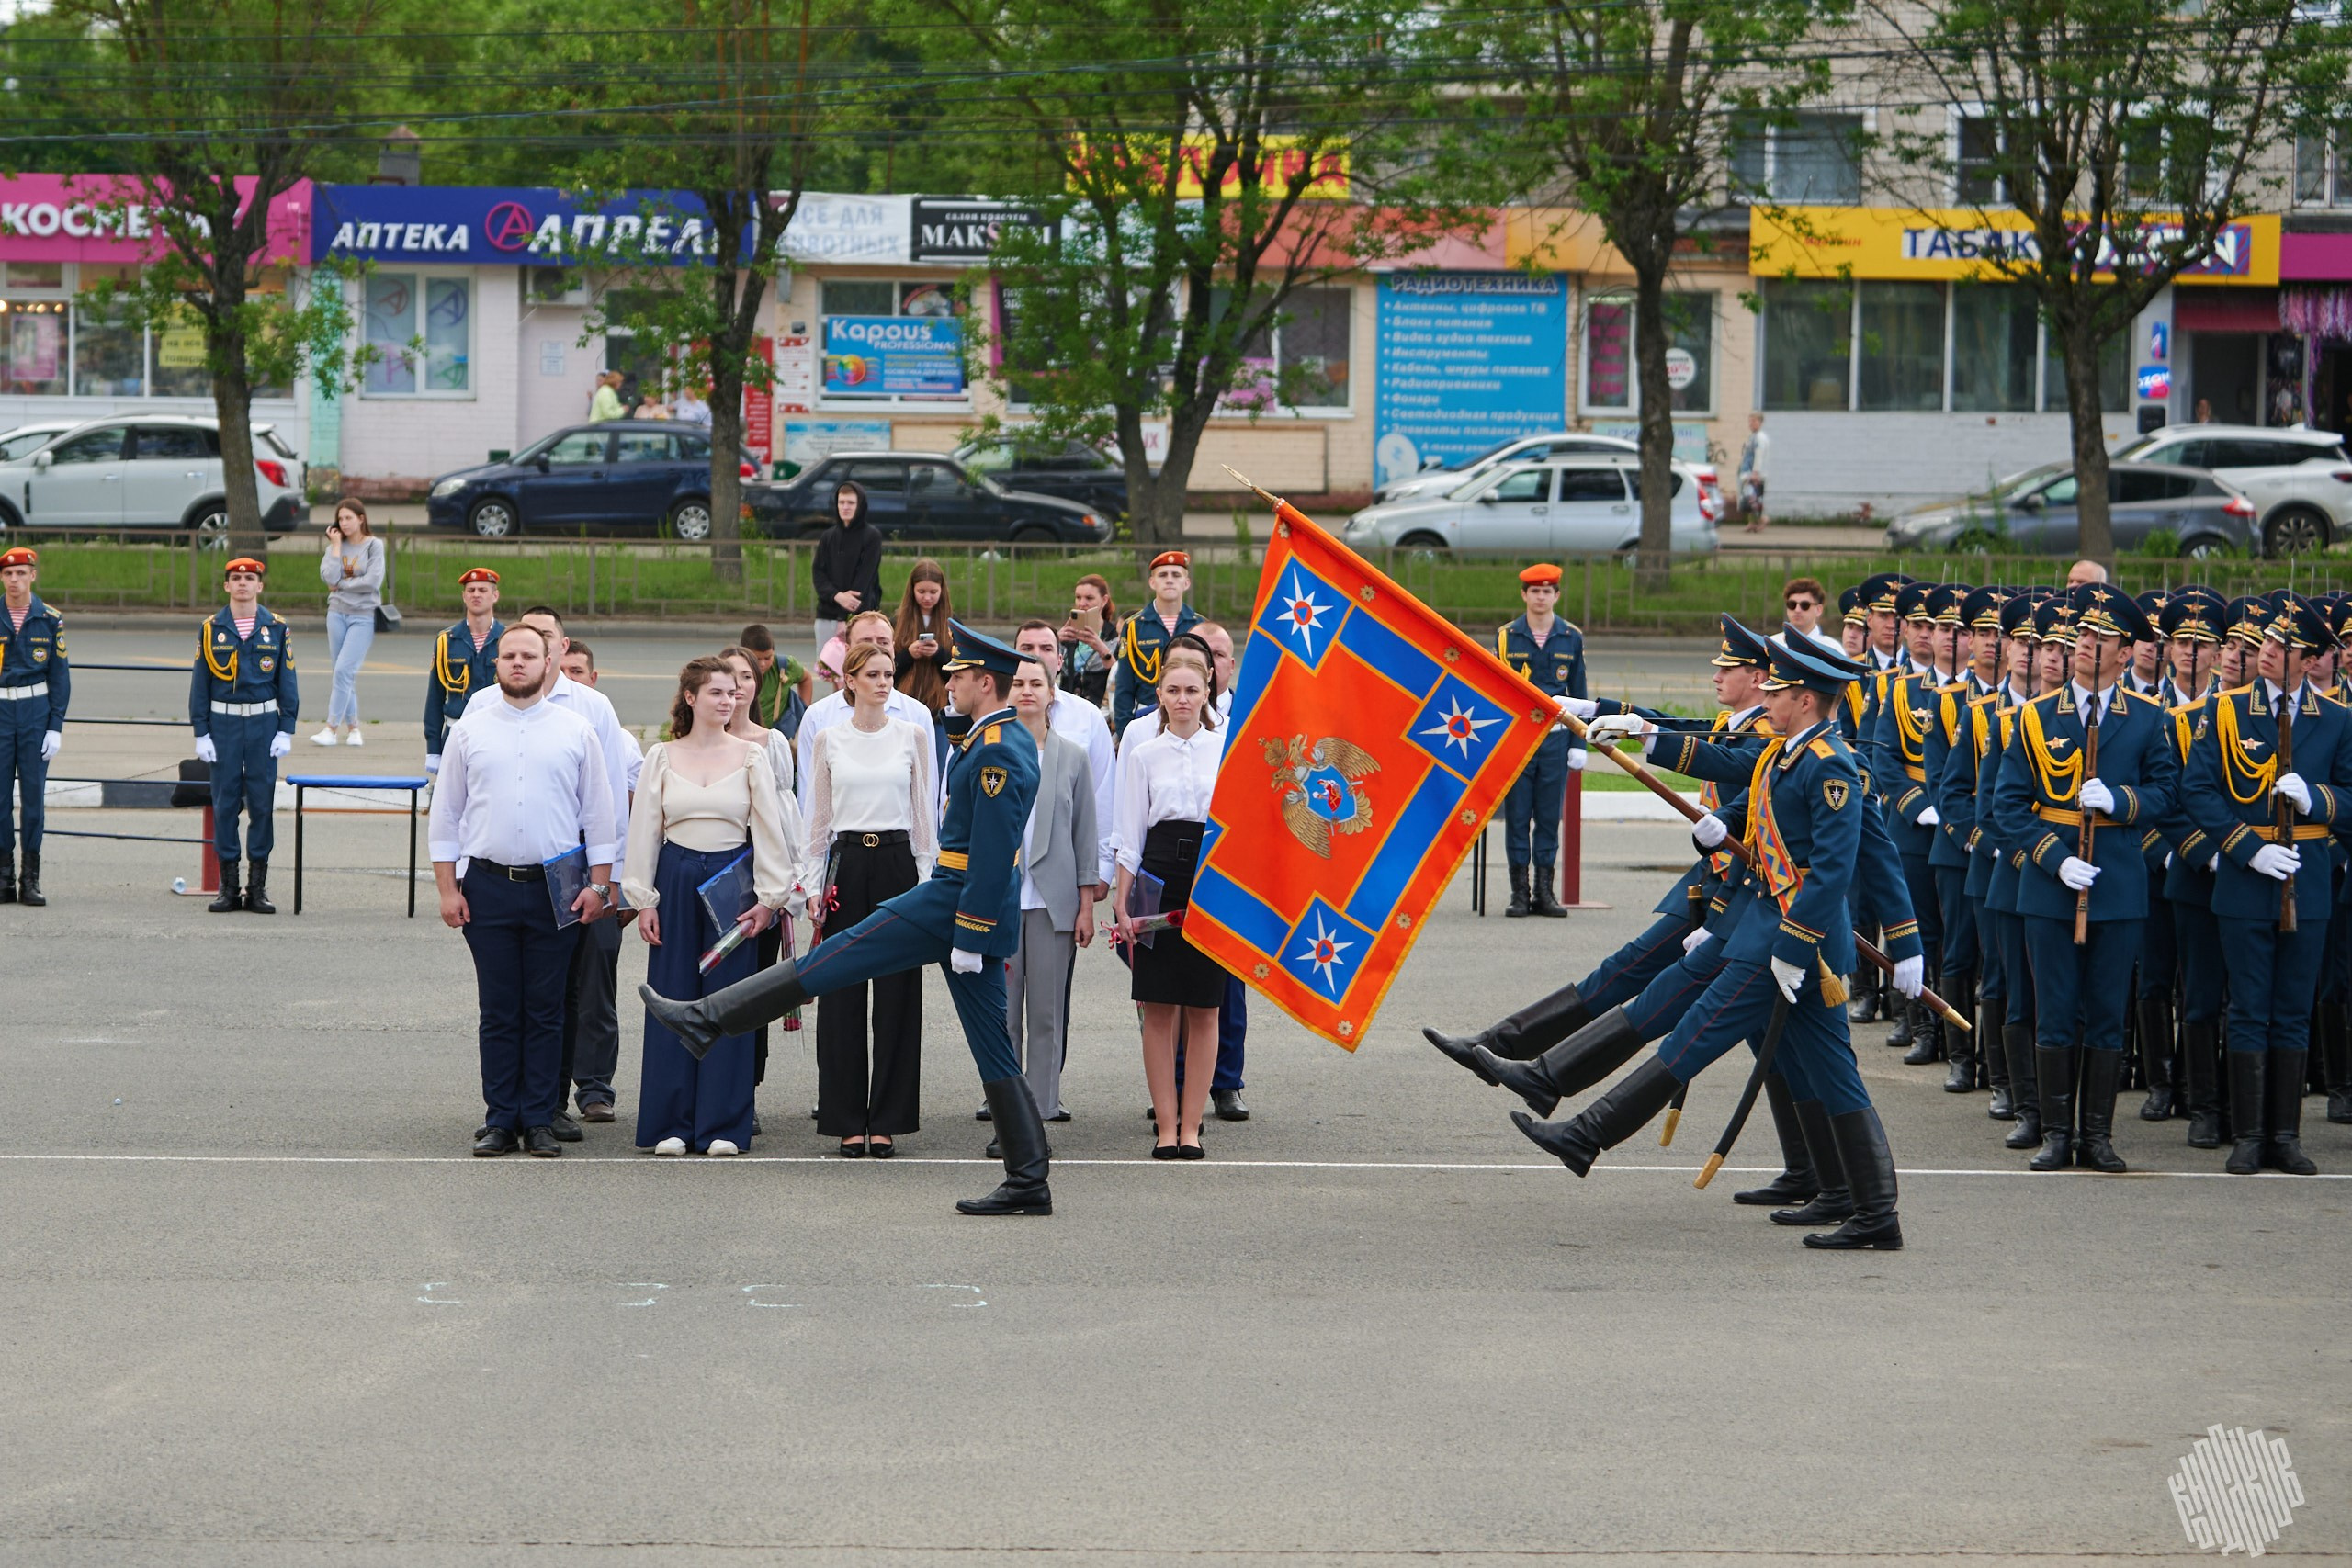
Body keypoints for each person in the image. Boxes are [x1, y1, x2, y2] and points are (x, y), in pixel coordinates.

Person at [639, 622, 1050, 1217]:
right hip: (960, 904)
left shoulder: (997, 752)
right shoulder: (993, 737)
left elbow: (991, 852)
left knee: (839, 954)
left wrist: (973, 932)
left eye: (959, 676)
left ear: (986, 682)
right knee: (992, 1045)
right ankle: (1029, 1176)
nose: (948, 684)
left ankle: (708, 1016)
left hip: (955, 902)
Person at [1517, 636, 1911, 1250]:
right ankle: (1872, 1208)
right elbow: (1719, 756)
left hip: (1786, 945)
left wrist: (1800, 948)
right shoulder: (1782, 754)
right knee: (1833, 1072)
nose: (1768, 699)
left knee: (1692, 1036)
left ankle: (1585, 1136)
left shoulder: (1830, 764)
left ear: (1805, 699)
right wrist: (1643, 733)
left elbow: (1834, 871)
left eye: (1778, 691)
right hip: (1779, 937)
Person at [1994, 583, 2176, 1175]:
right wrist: (2053, 857)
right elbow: (2008, 805)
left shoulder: (2148, 719)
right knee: (2055, 1009)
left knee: (2104, 1012)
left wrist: (2121, 801)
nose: (2088, 646)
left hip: (2118, 884)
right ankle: (2054, 1133)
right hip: (2051, 886)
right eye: (2083, 636)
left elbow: (2168, 793)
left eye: (2103, 639)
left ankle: (2096, 1135)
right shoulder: (2034, 717)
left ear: (2126, 652)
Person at [430, 626, 616, 1158]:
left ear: (549, 662)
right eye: (509, 655)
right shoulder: (470, 731)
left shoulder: (575, 731)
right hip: (487, 884)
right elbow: (445, 817)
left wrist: (599, 887)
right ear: (497, 665)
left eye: (528, 655)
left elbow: (601, 818)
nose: (518, 663)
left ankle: (538, 1118)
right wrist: (448, 889)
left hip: (555, 888)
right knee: (499, 1008)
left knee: (546, 1007)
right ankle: (500, 1119)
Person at [2180, 595, 2349, 1176]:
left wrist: (2317, 799)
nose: (2269, 654)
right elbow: (2197, 790)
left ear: (2312, 660)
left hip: (2308, 876)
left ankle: (2285, 1135)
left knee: (2293, 1008)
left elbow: (2350, 798)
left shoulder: (2337, 719)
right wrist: (2248, 850)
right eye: (2267, 645)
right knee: (2249, 1006)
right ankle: (2249, 1135)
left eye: (2283, 648)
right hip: (2246, 877)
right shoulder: (2226, 710)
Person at [626, 658, 797, 1157]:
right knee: (673, 996)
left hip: (732, 890)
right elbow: (645, 832)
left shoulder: (751, 756)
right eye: (717, 693)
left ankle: (723, 1123)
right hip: (675, 882)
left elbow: (768, 829)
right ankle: (671, 1124)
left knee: (729, 1003)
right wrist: (643, 900)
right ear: (690, 697)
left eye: (732, 693)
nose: (728, 700)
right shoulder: (660, 756)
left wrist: (770, 900)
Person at [805, 642, 938, 1156]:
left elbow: (923, 813)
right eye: (874, 674)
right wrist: (813, 887)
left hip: (897, 862)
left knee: (898, 994)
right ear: (851, 681)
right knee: (840, 991)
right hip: (846, 862)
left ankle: (887, 1118)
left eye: (890, 674)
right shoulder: (828, 739)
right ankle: (845, 1118)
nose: (885, 682)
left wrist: (926, 881)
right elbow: (817, 821)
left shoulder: (912, 734)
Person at [1114, 649, 1228, 1158]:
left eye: (1192, 690)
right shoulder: (1142, 754)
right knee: (1158, 1007)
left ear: (1208, 694)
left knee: (1205, 1007)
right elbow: (1129, 833)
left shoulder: (1226, 749)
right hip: (1158, 875)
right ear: (1159, 697)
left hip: (1211, 878)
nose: (1183, 700)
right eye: (1173, 691)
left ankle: (1192, 1126)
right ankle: (1165, 1127)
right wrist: (1121, 900)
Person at [1001, 654, 1097, 1133]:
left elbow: (1084, 836)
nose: (1026, 691)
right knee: (1003, 1018)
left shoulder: (1072, 757)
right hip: (1000, 902)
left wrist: (1084, 906)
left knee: (1045, 1015)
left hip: (1051, 905)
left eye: (1036, 682)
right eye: (1018, 682)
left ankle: (1040, 1113)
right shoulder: (990, 751)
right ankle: (1006, 1116)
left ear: (1051, 692)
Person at [555, 638, 642, 1123]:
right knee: (553, 986)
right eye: (562, 668)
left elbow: (633, 814)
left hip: (603, 874)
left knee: (596, 985)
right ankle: (551, 1090)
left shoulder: (620, 739)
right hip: (552, 873)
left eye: (578, 669)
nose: (570, 675)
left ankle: (594, 1086)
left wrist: (623, 886)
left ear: (592, 677)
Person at [718, 643, 810, 1098]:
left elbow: (786, 816)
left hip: (760, 886)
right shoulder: (690, 742)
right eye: (729, 675)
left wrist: (791, 883)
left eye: (747, 677)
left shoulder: (773, 743)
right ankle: (713, 1083)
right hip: (712, 882)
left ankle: (745, 1089)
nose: (738, 686)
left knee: (754, 990)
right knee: (715, 985)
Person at [190, 557, 299, 915]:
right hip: (224, 726)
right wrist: (201, 732)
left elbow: (287, 681)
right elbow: (200, 685)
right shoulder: (211, 629)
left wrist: (286, 728)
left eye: (249, 578)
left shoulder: (277, 628)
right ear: (226, 586)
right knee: (224, 805)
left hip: (263, 725)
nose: (242, 584)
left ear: (260, 586)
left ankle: (257, 888)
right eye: (235, 578)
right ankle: (228, 886)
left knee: (262, 805)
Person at [1495, 563, 1589, 919]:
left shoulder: (1571, 637)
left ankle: (1545, 893)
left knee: (1549, 818)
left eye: (1547, 591)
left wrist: (1580, 744)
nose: (1540, 597)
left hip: (1556, 739)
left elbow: (1578, 692)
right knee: (1518, 817)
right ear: (1524, 595)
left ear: (1557, 596)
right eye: (1534, 591)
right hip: (1519, 739)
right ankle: (1520, 893)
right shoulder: (1506, 636)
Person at [795, 611, 933, 807]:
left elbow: (926, 794)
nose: (875, 648)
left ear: (893, 650)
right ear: (848, 649)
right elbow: (810, 796)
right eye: (865, 641)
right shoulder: (818, 716)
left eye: (883, 642)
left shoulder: (917, 715)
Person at [0, 546, 67, 908]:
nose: (15, 580)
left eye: (21, 573)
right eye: (9, 574)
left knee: (33, 801)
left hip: (34, 714)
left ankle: (30, 878)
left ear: (33, 576)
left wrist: (55, 726)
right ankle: (3, 876)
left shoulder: (50, 619)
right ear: (2, 577)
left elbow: (60, 678)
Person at [308, 500, 384, 750]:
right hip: (336, 613)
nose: (344, 523)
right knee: (341, 673)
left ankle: (330, 728)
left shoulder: (374, 546)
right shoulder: (336, 546)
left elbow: (372, 581)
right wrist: (336, 545)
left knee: (343, 671)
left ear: (361, 518)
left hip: (362, 615)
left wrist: (342, 585)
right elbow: (328, 576)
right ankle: (353, 729)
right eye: (340, 519)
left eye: (349, 518)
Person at [1111, 550, 1204, 735]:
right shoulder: (1134, 627)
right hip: (1147, 717)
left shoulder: (1200, 625)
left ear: (1186, 583)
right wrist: (1124, 731)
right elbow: (1124, 685)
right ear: (1152, 582)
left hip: (1191, 718)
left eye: (1176, 575)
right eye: (1163, 575)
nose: (1169, 580)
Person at [424, 569, 503, 778]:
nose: (476, 594)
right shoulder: (446, 641)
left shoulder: (508, 640)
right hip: (456, 733)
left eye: (483, 590)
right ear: (464, 596)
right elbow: (435, 696)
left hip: (497, 732)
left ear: (495, 595)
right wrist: (433, 748)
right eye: (471, 590)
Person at [811, 479, 883, 654]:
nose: (845, 507)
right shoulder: (828, 537)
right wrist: (837, 596)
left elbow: (863, 581)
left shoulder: (872, 536)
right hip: (826, 613)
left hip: (859, 616)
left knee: (859, 670)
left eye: (851, 503)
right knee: (831, 672)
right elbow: (818, 574)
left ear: (860, 505)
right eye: (841, 502)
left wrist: (844, 618)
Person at [738, 622, 812, 739]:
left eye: (768, 658)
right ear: (744, 653)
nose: (762, 664)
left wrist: (803, 710)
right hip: (744, 735)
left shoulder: (784, 665)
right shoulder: (734, 669)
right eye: (757, 659)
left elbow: (806, 679)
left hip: (777, 735)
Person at [1059, 574, 1117, 707]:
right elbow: (1046, 671)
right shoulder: (1067, 633)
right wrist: (1053, 641)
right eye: (1078, 597)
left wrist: (1102, 650)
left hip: (1100, 709)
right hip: (1066, 707)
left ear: (1104, 601)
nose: (1082, 604)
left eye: (1089, 598)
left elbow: (1120, 677)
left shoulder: (1114, 636)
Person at [1779, 577, 1840, 656]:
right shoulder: (1771, 644)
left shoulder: (1832, 649)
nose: (1797, 610)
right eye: (1792, 604)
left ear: (1819, 610)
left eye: (1805, 605)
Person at [1737, 412, 1771, 533]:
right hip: (1749, 472)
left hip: (1754, 474)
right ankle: (1752, 523)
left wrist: (1755, 472)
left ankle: (1762, 519)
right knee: (1752, 498)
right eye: (1750, 421)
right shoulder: (1753, 436)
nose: (1751, 424)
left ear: (1760, 422)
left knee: (1752, 498)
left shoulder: (1759, 438)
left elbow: (1759, 455)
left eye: (1754, 421)